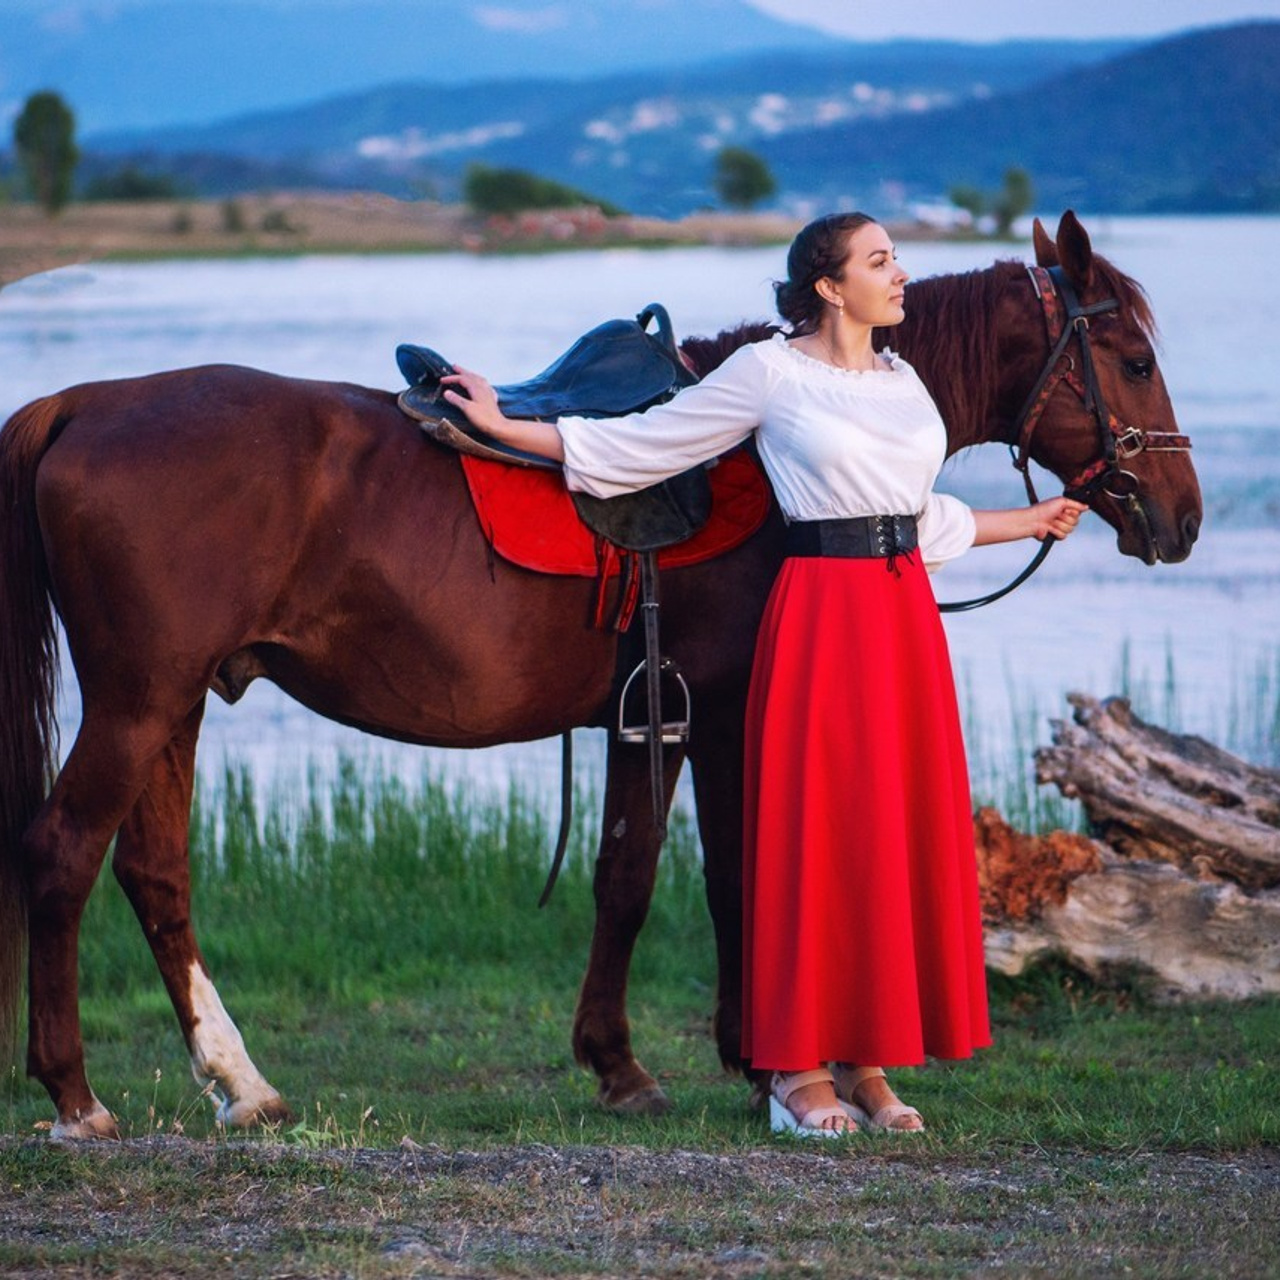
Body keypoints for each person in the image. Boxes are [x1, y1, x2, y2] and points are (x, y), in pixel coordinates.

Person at [441, 212, 1086, 1137]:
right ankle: (790, 1070)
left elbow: (911, 514)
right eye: (879, 261)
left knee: (882, 839)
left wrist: (1023, 523)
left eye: (895, 257)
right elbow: (640, 451)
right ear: (828, 287)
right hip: (822, 614)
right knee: (816, 839)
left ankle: (864, 1061)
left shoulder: (903, 380)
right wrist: (507, 426)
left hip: (902, 618)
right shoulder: (768, 373)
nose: (900, 273)